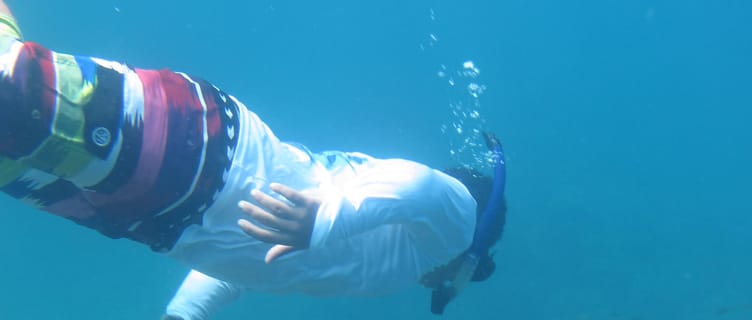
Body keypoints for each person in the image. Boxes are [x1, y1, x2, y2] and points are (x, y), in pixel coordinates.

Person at [0, 2, 507, 319]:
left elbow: (256, 268)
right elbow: (424, 186)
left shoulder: (390, 259)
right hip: (200, 164)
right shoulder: (455, 229)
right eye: (472, 273)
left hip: (158, 214)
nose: (446, 289)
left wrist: (184, 315)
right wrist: (325, 219)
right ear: (471, 258)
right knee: (14, 88)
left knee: (8, 139)